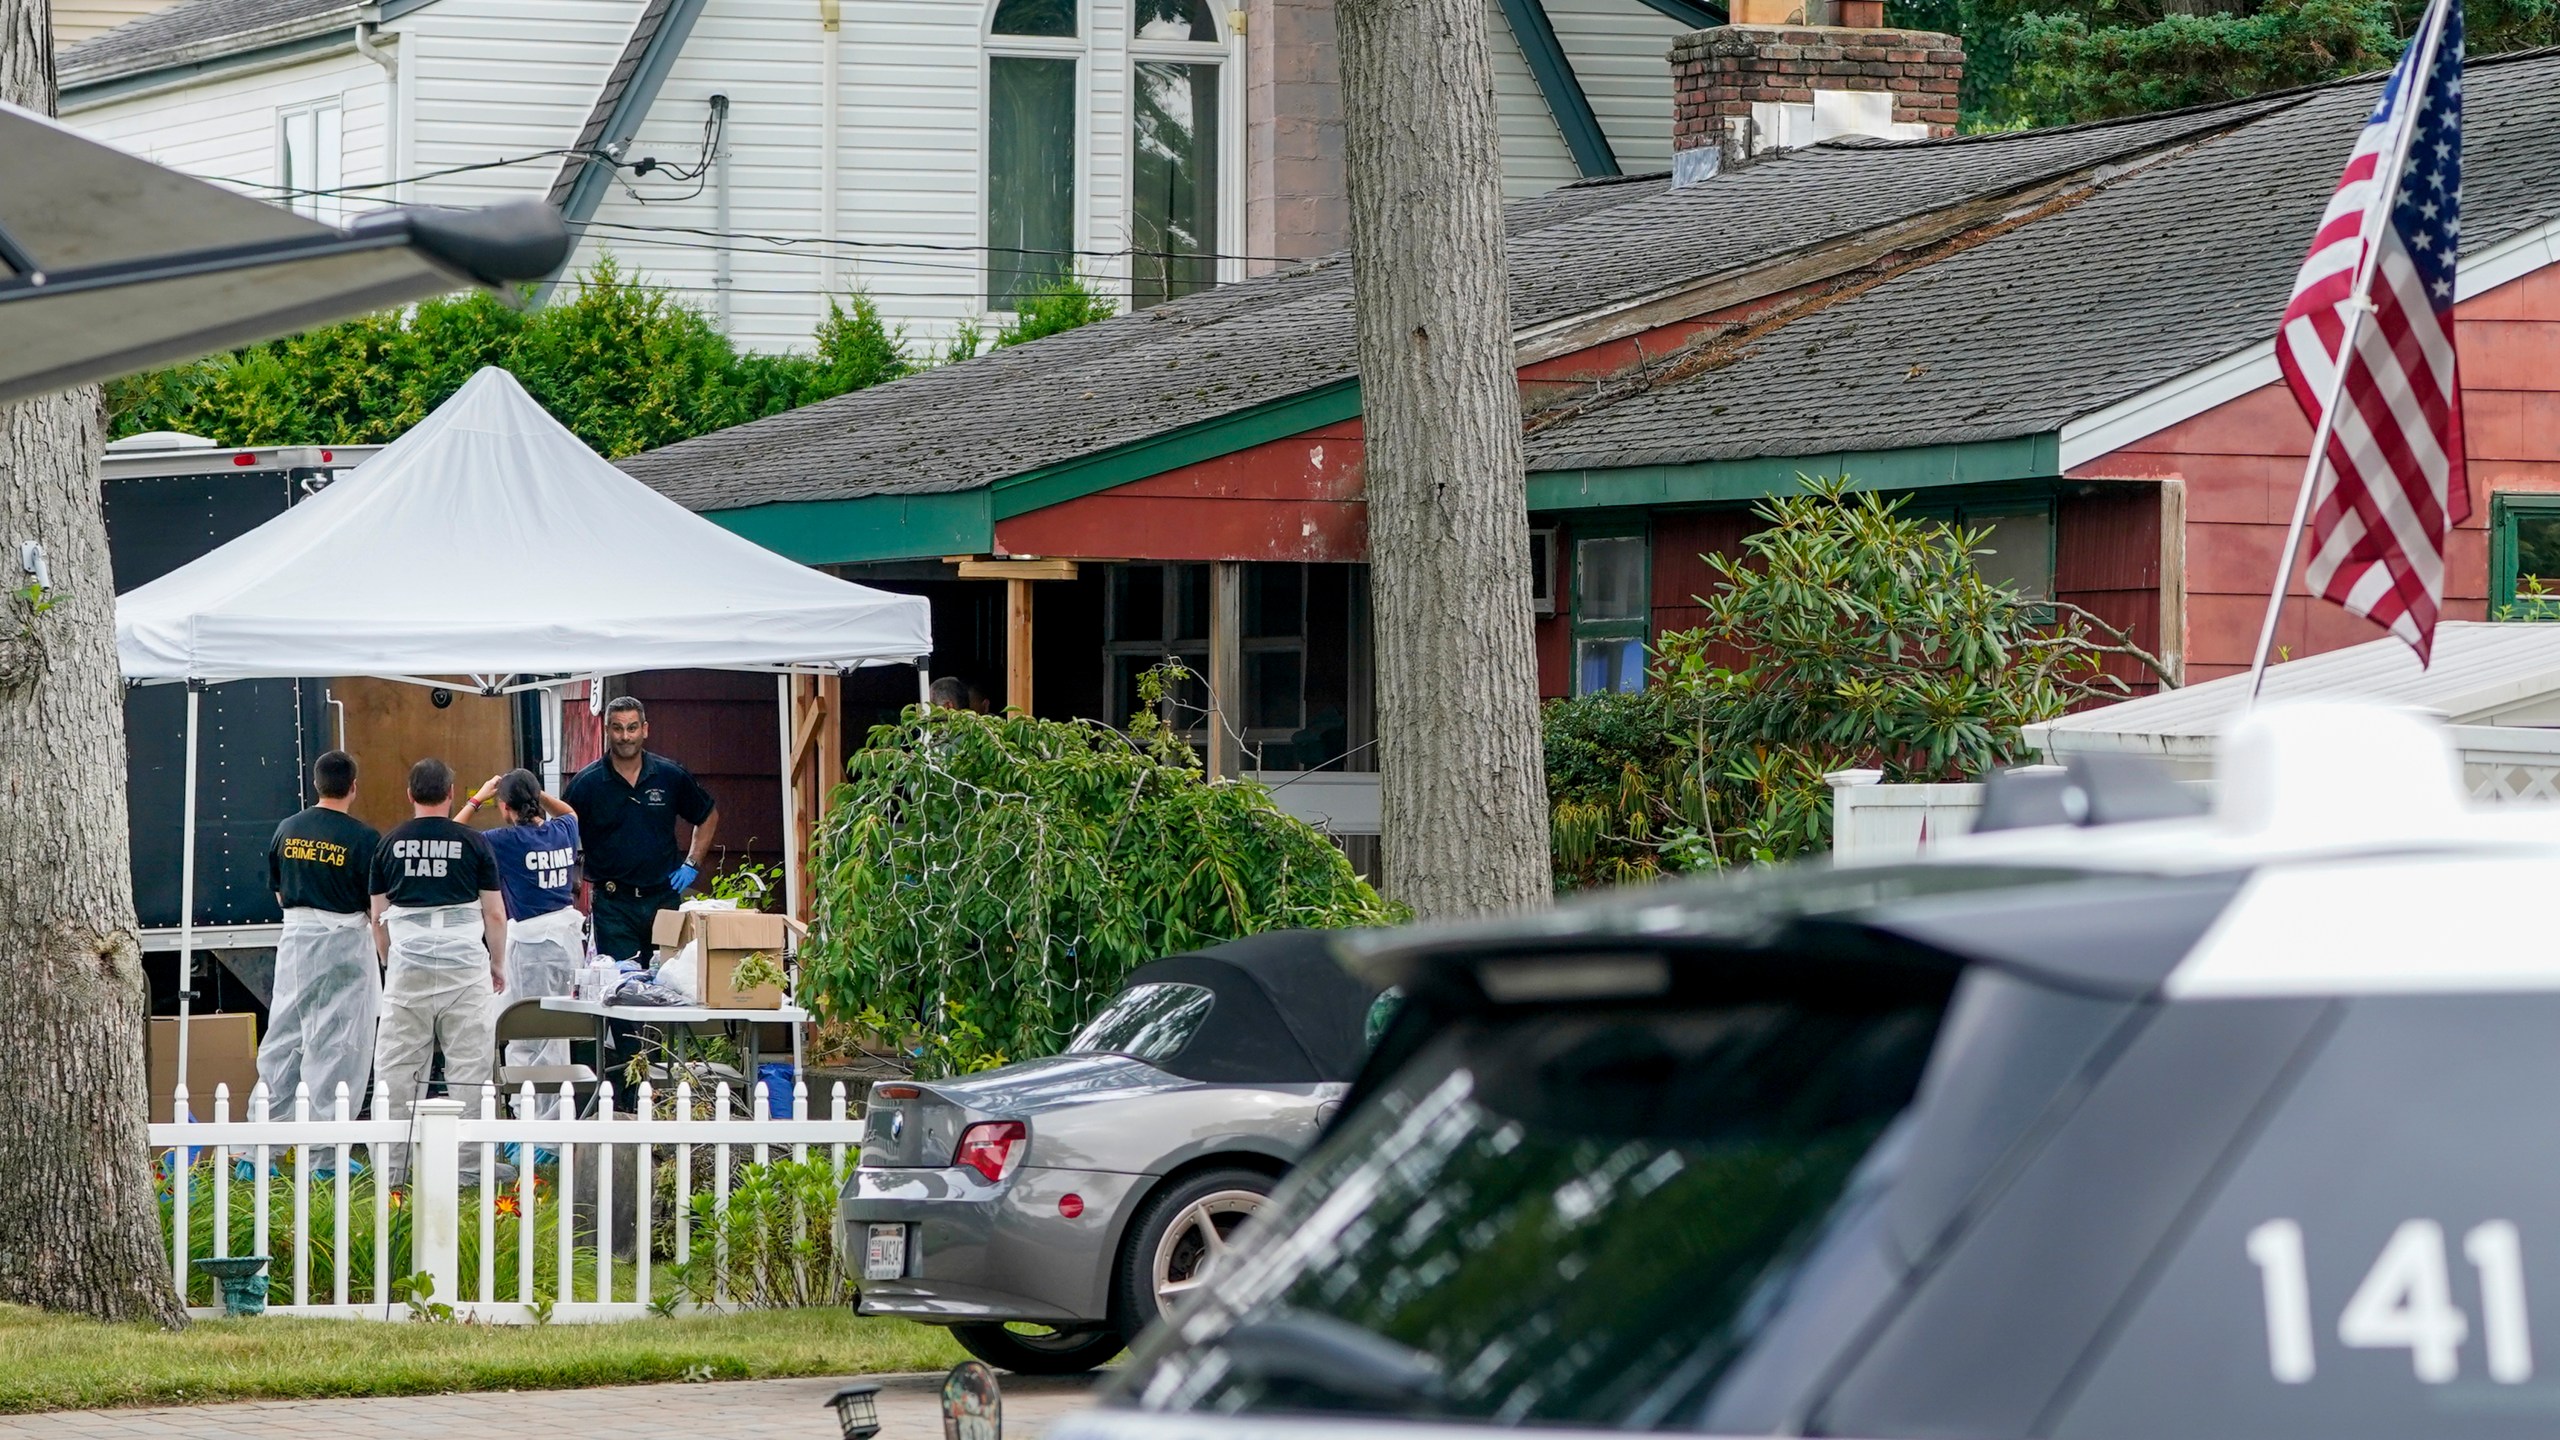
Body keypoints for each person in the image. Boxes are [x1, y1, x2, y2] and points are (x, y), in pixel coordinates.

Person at [369, 757, 506, 1186]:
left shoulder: (388, 844)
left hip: (408, 963)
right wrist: (497, 963)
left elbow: (378, 918)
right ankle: (469, 1168)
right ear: (450, 794)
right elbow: (494, 913)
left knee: (397, 1069)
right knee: (470, 1069)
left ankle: (393, 1169)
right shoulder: (474, 843)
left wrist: (390, 961)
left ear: (410, 794)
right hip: (464, 965)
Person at [259, 750, 381, 1119]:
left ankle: (266, 1133)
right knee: (341, 1041)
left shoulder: (288, 828)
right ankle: (327, 1138)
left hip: (297, 943)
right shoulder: (364, 838)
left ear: (316, 784)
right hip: (346, 946)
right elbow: (374, 906)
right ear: (353, 787)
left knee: (285, 1034)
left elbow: (280, 893)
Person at [460, 769, 583, 1119]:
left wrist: (477, 798)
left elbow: (453, 835)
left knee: (535, 1033)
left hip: (533, 947)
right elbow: (570, 813)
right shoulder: (562, 830)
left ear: (504, 807)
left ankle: (539, 1121)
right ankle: (538, 1115)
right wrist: (536, 792)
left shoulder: (505, 840)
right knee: (553, 1032)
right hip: (565, 942)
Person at [564, 697, 717, 965]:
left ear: (645, 729)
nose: (625, 736)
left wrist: (692, 864)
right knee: (622, 982)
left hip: (663, 899)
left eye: (632, 728)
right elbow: (560, 830)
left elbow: (707, 816)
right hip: (614, 905)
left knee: (669, 978)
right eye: (617, 728)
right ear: (607, 730)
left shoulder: (669, 775)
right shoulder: (586, 784)